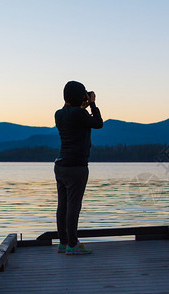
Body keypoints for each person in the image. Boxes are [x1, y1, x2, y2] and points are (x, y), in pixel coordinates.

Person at [54, 81, 103, 255]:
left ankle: (63, 243)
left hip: (60, 165)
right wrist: (93, 104)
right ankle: (73, 245)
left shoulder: (59, 114)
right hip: (77, 167)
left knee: (63, 205)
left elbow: (70, 110)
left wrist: (80, 104)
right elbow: (98, 123)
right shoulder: (80, 114)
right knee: (74, 205)